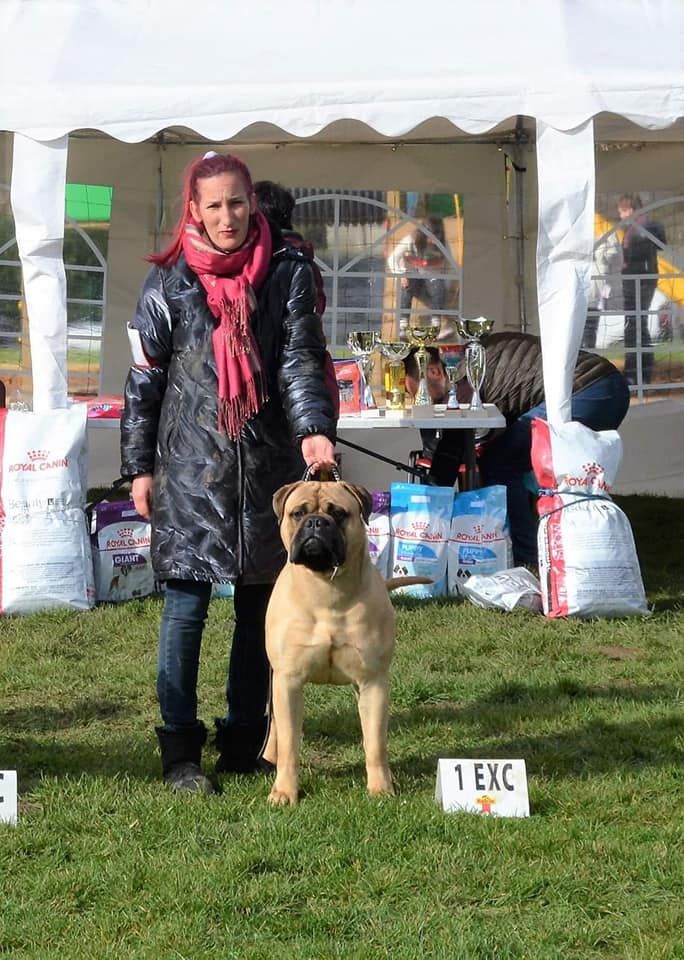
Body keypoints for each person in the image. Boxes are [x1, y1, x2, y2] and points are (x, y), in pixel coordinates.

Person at [120, 152, 337, 793]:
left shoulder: (288, 272)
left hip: (268, 466)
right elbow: (143, 382)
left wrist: (313, 428)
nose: (226, 217)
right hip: (188, 470)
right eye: (213, 205)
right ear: (194, 209)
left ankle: (245, 739)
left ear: (253, 203)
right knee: (185, 606)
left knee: (258, 609)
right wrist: (137, 467)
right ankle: (180, 751)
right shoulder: (168, 284)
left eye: (236, 202)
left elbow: (299, 357)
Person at [403, 332, 630, 567]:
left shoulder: (463, 377)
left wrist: (432, 501)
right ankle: (558, 543)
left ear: (433, 371)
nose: (422, 401)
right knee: (520, 460)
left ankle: (527, 559)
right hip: (606, 383)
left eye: (419, 394)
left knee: (500, 463)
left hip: (586, 390)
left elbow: (453, 445)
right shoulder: (478, 351)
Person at [617, 193, 666, 384]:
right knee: (635, 324)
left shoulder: (644, 227)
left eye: (623, 211)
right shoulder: (634, 228)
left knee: (636, 325)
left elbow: (651, 248)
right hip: (636, 280)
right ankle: (636, 371)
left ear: (631, 210)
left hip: (641, 281)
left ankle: (638, 373)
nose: (621, 216)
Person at [386, 215, 451, 339]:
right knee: (406, 283)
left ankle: (436, 325)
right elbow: (392, 258)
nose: (433, 240)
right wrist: (400, 275)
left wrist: (444, 287)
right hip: (412, 277)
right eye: (431, 236)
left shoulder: (444, 245)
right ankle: (403, 326)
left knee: (438, 286)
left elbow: (449, 264)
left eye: (437, 236)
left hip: (431, 278)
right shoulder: (409, 240)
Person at [582, 222, 623, 350]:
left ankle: (588, 351)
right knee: (586, 324)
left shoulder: (606, 233)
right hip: (587, 286)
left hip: (594, 287)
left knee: (590, 322)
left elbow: (614, 255)